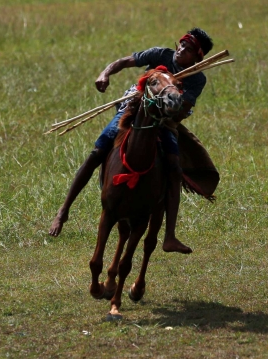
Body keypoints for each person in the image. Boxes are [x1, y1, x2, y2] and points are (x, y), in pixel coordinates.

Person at [48, 28, 214, 254]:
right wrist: (104, 73)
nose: (181, 50)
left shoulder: (197, 79)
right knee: (98, 151)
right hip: (133, 108)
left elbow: (182, 109)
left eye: (189, 50)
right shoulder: (160, 54)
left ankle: (170, 236)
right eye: (182, 44)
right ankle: (64, 210)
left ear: (198, 57)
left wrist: (167, 107)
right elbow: (125, 61)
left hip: (164, 120)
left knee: (174, 167)